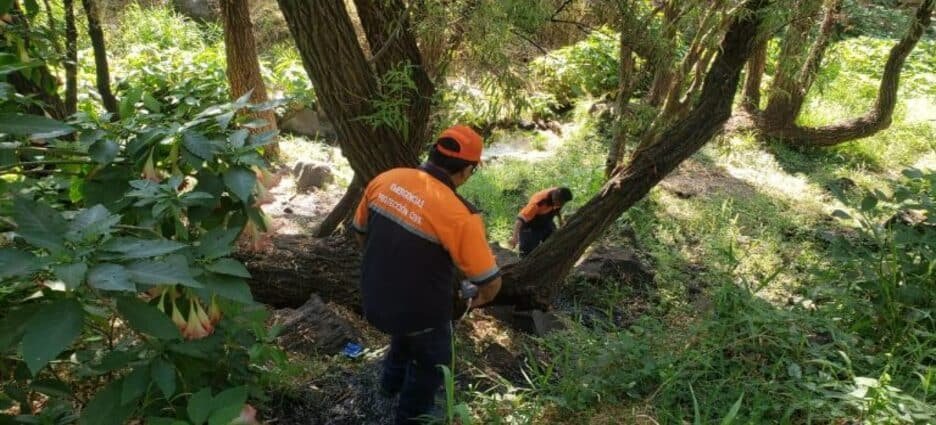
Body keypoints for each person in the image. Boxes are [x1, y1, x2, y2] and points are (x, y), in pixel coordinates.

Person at [351, 125, 502, 425]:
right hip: (419, 315)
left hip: (372, 299)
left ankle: (388, 386)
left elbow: (360, 234)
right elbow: (490, 282)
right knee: (432, 362)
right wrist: (479, 301)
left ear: (433, 152)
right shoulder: (462, 216)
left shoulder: (386, 179)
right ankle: (410, 417)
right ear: (469, 170)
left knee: (405, 336)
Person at [508, 187, 573, 257]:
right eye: (559, 202)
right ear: (555, 197)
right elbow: (519, 220)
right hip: (530, 227)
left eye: (563, 203)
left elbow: (557, 209)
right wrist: (514, 237)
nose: (560, 205)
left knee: (554, 242)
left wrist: (560, 221)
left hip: (546, 221)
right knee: (527, 254)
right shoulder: (538, 203)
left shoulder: (560, 194)